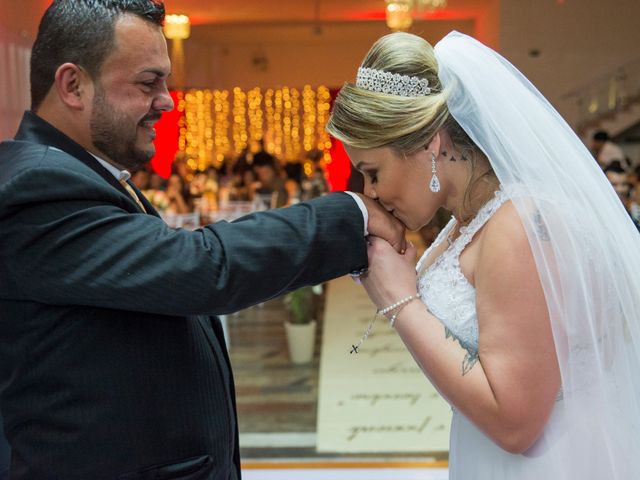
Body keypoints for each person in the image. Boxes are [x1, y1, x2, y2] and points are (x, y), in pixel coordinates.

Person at [0, 1, 405, 479]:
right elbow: (202, 268)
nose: (168, 101)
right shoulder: (37, 186)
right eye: (147, 83)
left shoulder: (76, 173)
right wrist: (350, 212)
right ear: (73, 85)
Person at [327, 31, 640, 479]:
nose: (371, 193)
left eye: (372, 173)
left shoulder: (518, 228)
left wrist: (400, 302)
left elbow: (516, 423)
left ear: (430, 144)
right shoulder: (467, 223)